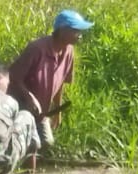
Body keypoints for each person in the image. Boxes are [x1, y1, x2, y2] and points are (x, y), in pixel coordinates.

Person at [8, 9, 92, 148]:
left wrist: (57, 112)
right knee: (32, 144)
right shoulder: (36, 48)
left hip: (41, 111)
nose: (80, 35)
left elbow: (60, 83)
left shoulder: (69, 51)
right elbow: (13, 78)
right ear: (62, 31)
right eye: (76, 30)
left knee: (47, 143)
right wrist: (29, 98)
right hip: (20, 106)